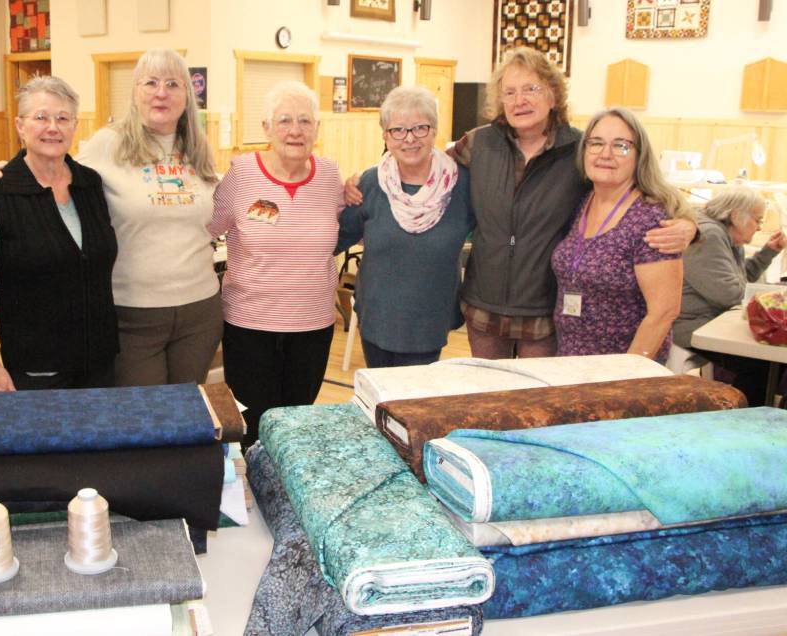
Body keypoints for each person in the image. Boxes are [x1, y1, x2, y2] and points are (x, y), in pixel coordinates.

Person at [0, 50, 221, 387]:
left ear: (187, 95)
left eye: (173, 84)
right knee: (142, 420)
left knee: (185, 414)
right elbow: (53, 165)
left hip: (200, 312)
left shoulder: (197, 147)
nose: (161, 92)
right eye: (150, 83)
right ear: (135, 92)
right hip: (132, 314)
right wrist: (6, 172)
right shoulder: (107, 144)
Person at [444, 47, 694, 359]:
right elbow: (423, 168)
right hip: (484, 306)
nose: (520, 100)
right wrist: (367, 179)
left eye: (531, 89)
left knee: (539, 402)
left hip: (547, 311)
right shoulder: (478, 144)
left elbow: (649, 187)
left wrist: (689, 224)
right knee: (487, 402)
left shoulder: (581, 149)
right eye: (510, 92)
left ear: (552, 95)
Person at [209, 81, 343, 447]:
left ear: (317, 128)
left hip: (313, 325)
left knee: (298, 423)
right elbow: (206, 228)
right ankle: (252, 498)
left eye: (305, 120)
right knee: (254, 424)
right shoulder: (241, 174)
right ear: (266, 128)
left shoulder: (331, 176)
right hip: (250, 325)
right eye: (284, 120)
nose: (295, 130)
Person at [0, 76, 118, 391]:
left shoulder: (90, 184)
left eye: (63, 118)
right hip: (35, 371)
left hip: (99, 366)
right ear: (20, 126)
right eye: (41, 118)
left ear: (75, 125)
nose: (53, 127)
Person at [336, 86, 473, 368]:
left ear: (434, 130)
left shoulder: (462, 186)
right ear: (385, 136)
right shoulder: (370, 184)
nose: (409, 139)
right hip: (377, 321)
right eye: (398, 130)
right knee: (381, 404)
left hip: (430, 323)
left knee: (415, 407)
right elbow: (334, 238)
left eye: (420, 128)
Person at [550, 107, 690, 361]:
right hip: (570, 360)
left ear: (639, 155)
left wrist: (626, 373)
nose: (605, 154)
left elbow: (664, 312)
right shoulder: (584, 201)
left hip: (622, 370)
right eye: (596, 143)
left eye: (621, 146)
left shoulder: (651, 219)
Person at [674, 188, 785, 405]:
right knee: (762, 364)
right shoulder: (709, 235)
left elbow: (740, 281)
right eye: (757, 220)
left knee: (769, 362)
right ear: (735, 215)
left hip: (709, 320)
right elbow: (730, 294)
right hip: (689, 325)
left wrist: (768, 251)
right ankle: (746, 417)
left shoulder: (727, 235)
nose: (760, 227)